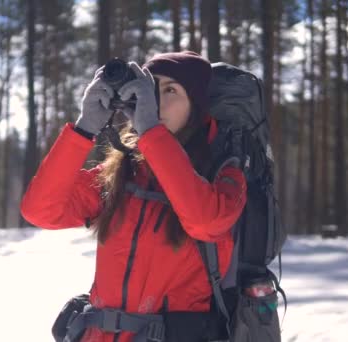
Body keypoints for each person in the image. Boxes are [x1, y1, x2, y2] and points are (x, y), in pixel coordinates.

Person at [20, 51, 247, 342]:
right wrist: (84, 128)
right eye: (152, 88)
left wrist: (151, 132)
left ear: (197, 107)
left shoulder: (225, 176)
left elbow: (205, 222)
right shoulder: (123, 174)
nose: (157, 101)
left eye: (171, 91)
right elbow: (41, 211)